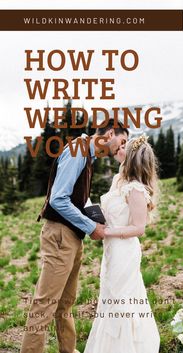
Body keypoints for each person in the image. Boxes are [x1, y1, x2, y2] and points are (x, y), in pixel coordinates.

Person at [20, 120, 129, 353]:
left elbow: (75, 196)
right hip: (60, 235)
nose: (122, 148)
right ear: (110, 133)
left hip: (71, 236)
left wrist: (94, 215)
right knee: (45, 303)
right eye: (122, 141)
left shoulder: (88, 155)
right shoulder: (77, 150)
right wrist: (91, 226)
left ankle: (68, 351)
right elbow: (58, 198)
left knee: (66, 302)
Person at [84, 135, 161, 353]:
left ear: (134, 158)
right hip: (111, 249)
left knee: (122, 299)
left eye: (126, 146)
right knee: (109, 296)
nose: (120, 147)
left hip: (124, 250)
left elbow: (138, 228)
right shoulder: (119, 179)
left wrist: (107, 231)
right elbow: (115, 212)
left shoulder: (136, 189)